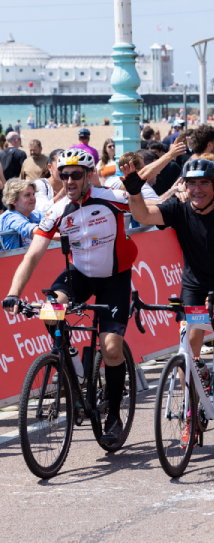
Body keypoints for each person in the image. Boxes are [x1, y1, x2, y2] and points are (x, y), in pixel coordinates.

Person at [2, 149, 137, 445]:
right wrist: (13, 293)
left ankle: (114, 416)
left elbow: (146, 211)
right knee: (50, 311)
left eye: (76, 175)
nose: (69, 180)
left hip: (114, 277)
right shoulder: (57, 209)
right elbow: (32, 256)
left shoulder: (111, 197)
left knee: (111, 347)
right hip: (80, 275)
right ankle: (72, 365)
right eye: (64, 175)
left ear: (88, 175)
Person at [125, 158, 214, 400]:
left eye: (204, 183)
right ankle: (190, 412)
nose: (197, 190)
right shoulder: (178, 207)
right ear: (184, 185)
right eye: (192, 184)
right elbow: (143, 214)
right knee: (187, 351)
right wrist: (134, 192)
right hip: (194, 282)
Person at [0, 178, 41, 250]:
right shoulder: (10, 217)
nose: (33, 198)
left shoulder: (34, 214)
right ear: (14, 201)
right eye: (27, 195)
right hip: (10, 260)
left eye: (33, 194)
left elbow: (52, 218)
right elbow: (30, 230)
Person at [32, 149, 64, 213]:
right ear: (50, 167)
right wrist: (62, 192)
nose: (64, 170)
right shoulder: (40, 184)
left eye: (67, 166)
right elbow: (42, 210)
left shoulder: (72, 185)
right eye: (60, 166)